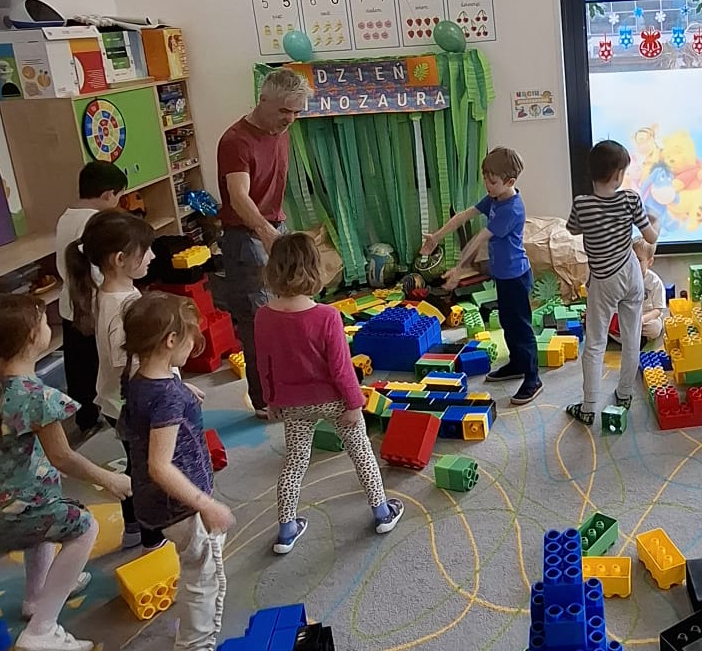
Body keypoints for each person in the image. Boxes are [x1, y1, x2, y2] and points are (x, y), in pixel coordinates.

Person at [0, 296, 130, 651]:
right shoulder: (36, 397)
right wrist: (110, 480)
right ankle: (42, 628)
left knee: (47, 517)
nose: (49, 326)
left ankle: (36, 597)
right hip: (4, 508)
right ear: (32, 337)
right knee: (83, 527)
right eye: (44, 321)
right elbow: (63, 457)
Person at [255, 233, 404, 556]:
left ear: (273, 270)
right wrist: (354, 402)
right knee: (361, 452)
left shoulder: (263, 316)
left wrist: (270, 400)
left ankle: (286, 529)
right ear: (314, 269)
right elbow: (341, 368)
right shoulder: (326, 316)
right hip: (334, 400)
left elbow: (263, 364)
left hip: (293, 405)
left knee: (294, 463)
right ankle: (382, 511)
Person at [122, 294, 233, 651]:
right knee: (204, 575)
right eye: (191, 339)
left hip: (157, 503)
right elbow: (160, 466)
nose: (193, 346)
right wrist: (206, 505)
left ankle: (191, 632)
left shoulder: (139, 380)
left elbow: (143, 418)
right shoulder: (167, 396)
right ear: (170, 341)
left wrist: (185, 393)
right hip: (180, 505)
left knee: (195, 567)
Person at [215, 68, 310, 417]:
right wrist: (266, 233)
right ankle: (265, 400)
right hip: (246, 236)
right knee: (258, 322)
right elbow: (238, 196)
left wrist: (277, 231)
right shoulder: (236, 141)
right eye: (284, 110)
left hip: (274, 225)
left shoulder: (282, 132)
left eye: (297, 112)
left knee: (290, 311)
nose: (290, 119)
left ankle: (291, 385)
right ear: (263, 100)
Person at [420, 147, 541, 405]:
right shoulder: (495, 198)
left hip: (516, 277)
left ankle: (533, 378)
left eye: (492, 181)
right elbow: (464, 216)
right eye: (485, 178)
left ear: (510, 181)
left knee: (520, 327)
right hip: (503, 276)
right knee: (507, 322)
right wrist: (437, 236)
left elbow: (479, 238)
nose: (487, 185)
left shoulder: (511, 209)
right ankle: (517, 364)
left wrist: (458, 268)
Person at [74, 208, 157, 544]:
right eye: (145, 251)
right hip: (131, 403)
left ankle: (134, 526)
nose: (152, 256)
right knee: (149, 470)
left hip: (115, 399)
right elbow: (127, 362)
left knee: (136, 463)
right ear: (120, 259)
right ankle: (151, 536)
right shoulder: (123, 305)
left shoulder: (105, 293)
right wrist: (167, 387)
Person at [565, 139, 658, 427]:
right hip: (631, 273)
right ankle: (625, 394)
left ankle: (588, 407)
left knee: (595, 343)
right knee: (632, 336)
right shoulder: (630, 199)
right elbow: (650, 237)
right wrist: (655, 222)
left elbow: (572, 229)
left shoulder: (582, 203)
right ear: (618, 175)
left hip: (604, 278)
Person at [54, 160, 128, 435]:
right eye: (119, 196)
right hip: (94, 306)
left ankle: (85, 419)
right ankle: (108, 415)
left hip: (70, 305)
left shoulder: (67, 216)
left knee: (78, 366)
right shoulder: (94, 223)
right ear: (108, 194)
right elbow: (98, 268)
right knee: (102, 366)